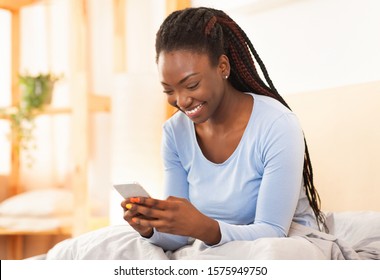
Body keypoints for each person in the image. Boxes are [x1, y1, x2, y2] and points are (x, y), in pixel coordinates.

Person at [121, 6, 327, 252]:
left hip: (282, 244)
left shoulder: (278, 124)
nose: (181, 100)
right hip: (215, 244)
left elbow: (273, 231)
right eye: (169, 90)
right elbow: (178, 239)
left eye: (192, 84)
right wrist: (151, 228)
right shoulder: (174, 133)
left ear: (222, 67)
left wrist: (203, 227)